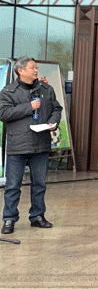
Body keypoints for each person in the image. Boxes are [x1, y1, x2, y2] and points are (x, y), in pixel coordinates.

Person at [1, 57, 62, 235]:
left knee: (39, 184)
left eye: (36, 68)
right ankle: (9, 219)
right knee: (13, 185)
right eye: (32, 68)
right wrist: (29, 107)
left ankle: (37, 216)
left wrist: (53, 122)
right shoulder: (9, 91)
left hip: (40, 143)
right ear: (20, 70)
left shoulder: (46, 89)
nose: (36, 71)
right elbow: (3, 113)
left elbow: (56, 109)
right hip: (18, 145)